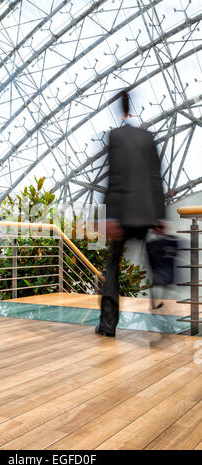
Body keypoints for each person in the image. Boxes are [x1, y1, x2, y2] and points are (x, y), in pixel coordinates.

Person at [95, 90, 165, 337]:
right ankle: (157, 312)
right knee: (152, 260)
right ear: (132, 107)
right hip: (146, 214)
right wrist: (159, 216)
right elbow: (156, 178)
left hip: (123, 215)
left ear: (119, 110)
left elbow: (114, 178)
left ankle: (108, 324)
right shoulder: (147, 137)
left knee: (112, 266)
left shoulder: (115, 136)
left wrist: (109, 217)